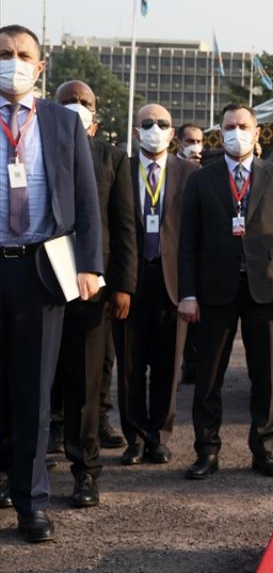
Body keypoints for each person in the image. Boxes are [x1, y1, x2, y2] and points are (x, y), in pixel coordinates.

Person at [0, 24, 102, 543]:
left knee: (34, 396)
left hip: (40, 271)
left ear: (40, 67)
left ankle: (31, 503)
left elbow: (86, 199)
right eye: (4, 53)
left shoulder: (63, 122)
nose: (13, 62)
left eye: (23, 54)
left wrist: (90, 264)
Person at [178, 103, 273, 480]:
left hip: (265, 289)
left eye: (244, 126)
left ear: (257, 132)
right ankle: (207, 450)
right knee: (209, 377)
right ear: (220, 133)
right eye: (230, 127)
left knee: (264, 376)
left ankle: (263, 449)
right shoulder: (201, 180)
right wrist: (188, 293)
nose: (237, 133)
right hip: (215, 290)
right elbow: (187, 243)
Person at [49, 81, 136, 509]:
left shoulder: (113, 158)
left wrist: (123, 285)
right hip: (39, 280)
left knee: (86, 382)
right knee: (29, 377)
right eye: (69, 100)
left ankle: (85, 471)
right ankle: (20, 466)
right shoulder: (35, 149)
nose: (77, 106)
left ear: (95, 119)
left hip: (91, 286)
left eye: (85, 102)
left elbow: (124, 226)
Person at [117, 104, 197, 468]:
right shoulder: (121, 169)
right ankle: (134, 438)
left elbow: (196, 234)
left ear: (172, 133)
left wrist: (193, 288)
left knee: (168, 366)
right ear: (136, 131)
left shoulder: (190, 173)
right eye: (147, 123)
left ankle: (159, 436)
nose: (154, 129)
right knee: (131, 366)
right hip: (130, 281)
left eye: (162, 124)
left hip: (172, 282)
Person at [175, 123, 203, 385]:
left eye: (199, 142)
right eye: (190, 141)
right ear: (179, 144)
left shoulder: (205, 171)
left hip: (196, 254)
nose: (195, 147)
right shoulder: (173, 169)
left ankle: (192, 365)